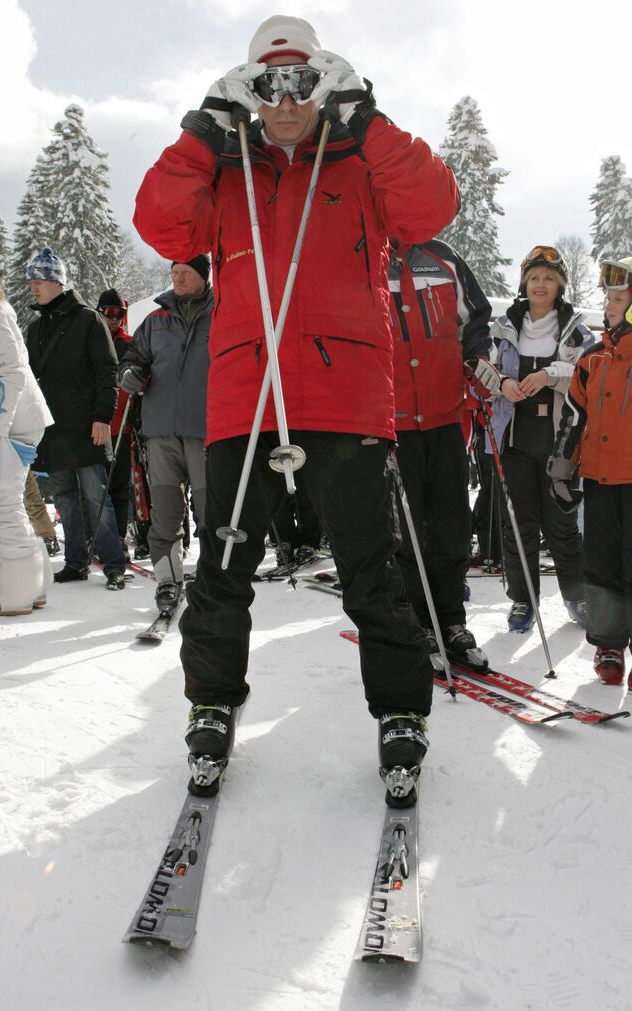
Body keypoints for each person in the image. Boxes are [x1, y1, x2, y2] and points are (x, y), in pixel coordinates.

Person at [133, 14, 458, 804]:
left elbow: (432, 208)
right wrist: (203, 132)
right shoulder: (228, 170)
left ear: (324, 83)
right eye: (268, 83)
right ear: (249, 90)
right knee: (223, 570)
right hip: (247, 400)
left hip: (345, 401)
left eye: (303, 80)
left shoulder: (358, 161)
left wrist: (368, 122)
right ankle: (211, 701)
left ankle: (401, 713)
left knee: (370, 574)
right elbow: (161, 222)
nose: (286, 99)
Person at [388, 238, 499, 667]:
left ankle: (451, 620)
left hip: (447, 415)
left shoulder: (444, 257)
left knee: (452, 525)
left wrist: (478, 359)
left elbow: (475, 321)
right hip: (394, 422)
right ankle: (418, 621)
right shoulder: (366, 256)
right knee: (407, 529)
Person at [488, 246, 595, 631]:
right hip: (515, 438)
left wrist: (551, 374)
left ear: (559, 286)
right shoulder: (504, 327)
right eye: (535, 278)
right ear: (524, 283)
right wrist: (502, 382)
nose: (541, 285)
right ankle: (522, 600)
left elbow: (588, 370)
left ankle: (576, 596)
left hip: (559, 440)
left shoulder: (575, 328)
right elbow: (481, 371)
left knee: (561, 524)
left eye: (549, 279)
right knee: (519, 525)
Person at [548, 257, 632, 687]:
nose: (610, 304)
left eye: (620, 297)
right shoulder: (593, 358)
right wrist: (563, 470)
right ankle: (609, 644)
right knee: (600, 565)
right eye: (609, 297)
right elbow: (574, 420)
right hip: (599, 480)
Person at [24, 247, 127, 590]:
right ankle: (75, 562)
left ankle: (114, 564)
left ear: (57, 282)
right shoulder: (35, 326)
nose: (33, 286)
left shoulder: (88, 319)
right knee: (65, 497)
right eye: (31, 280)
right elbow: (29, 379)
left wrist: (102, 417)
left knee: (98, 495)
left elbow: (107, 372)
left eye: (39, 280)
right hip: (53, 429)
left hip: (87, 426)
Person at [119, 256, 212, 608]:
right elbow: (132, 359)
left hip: (206, 430)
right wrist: (129, 374)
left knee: (210, 510)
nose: (178, 278)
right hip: (160, 431)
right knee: (165, 511)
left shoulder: (222, 314)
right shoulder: (155, 321)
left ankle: (211, 576)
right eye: (174, 273)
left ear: (203, 276)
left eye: (185, 272)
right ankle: (167, 580)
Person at [0, 275, 54, 615]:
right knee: (1, 500)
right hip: (4, 416)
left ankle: (18, 590)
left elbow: (11, 372)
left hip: (13, 419)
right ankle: (32, 585)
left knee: (2, 500)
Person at [97, 288, 134, 557]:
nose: (113, 319)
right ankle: (97, 537)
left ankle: (118, 537)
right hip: (95, 427)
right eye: (108, 313)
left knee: (119, 487)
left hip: (123, 427)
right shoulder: (90, 340)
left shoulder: (128, 344)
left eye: (119, 314)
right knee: (96, 489)